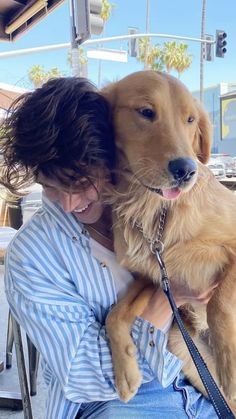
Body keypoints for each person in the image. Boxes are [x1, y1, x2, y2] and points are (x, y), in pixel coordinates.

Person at [0, 77, 218, 419]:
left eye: (82, 181)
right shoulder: (32, 258)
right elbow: (82, 375)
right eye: (51, 187)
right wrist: (170, 296)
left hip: (203, 376)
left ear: (113, 153)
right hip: (119, 400)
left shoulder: (158, 198)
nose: (70, 204)